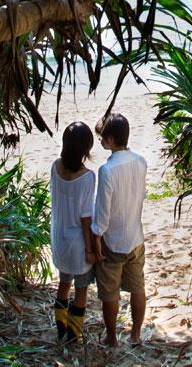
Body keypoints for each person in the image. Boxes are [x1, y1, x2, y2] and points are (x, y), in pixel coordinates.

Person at [91, 113, 148, 347]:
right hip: (136, 237)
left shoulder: (107, 170)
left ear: (112, 139)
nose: (101, 140)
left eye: (103, 137)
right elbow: (141, 195)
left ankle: (112, 336)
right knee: (137, 287)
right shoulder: (140, 161)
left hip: (113, 241)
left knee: (110, 292)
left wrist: (96, 237)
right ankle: (135, 334)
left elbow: (103, 212)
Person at [50, 121, 98, 345]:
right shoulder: (87, 177)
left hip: (59, 238)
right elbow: (86, 216)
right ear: (85, 148)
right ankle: (73, 335)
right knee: (81, 290)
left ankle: (61, 331)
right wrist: (90, 249)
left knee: (63, 285)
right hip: (78, 243)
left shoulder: (55, 167)